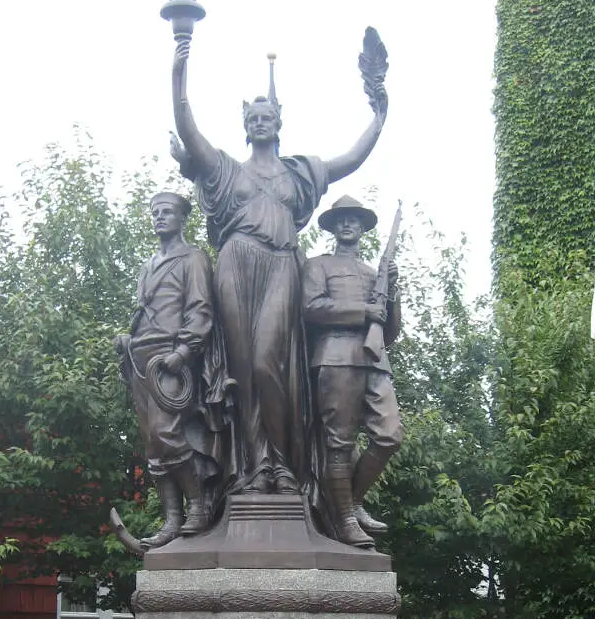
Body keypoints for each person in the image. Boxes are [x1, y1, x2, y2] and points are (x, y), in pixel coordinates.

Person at [170, 37, 388, 494]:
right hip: (236, 264)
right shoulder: (227, 170)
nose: (260, 122)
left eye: (267, 117)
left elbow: (351, 158)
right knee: (244, 368)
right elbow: (188, 126)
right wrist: (179, 68)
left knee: (272, 366)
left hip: (281, 267)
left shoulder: (299, 173)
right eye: (253, 118)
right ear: (245, 127)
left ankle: (284, 463)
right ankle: (252, 467)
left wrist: (379, 115)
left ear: (279, 123)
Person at [116, 192, 225, 548]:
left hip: (170, 358)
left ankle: (197, 506)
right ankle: (171, 520)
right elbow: (143, 309)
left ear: (182, 218)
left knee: (167, 434)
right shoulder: (148, 264)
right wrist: (127, 337)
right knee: (152, 444)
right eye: (155, 212)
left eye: (167, 212)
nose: (160, 218)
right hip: (140, 357)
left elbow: (201, 310)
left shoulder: (193, 258)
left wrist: (183, 351)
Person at [302, 195, 404, 548]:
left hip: (374, 360)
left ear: (362, 228)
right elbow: (312, 308)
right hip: (335, 356)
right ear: (333, 227)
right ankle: (344, 519)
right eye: (341, 219)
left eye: (354, 220)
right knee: (339, 443)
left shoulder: (373, 273)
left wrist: (393, 289)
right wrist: (364, 311)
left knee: (389, 435)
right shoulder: (318, 266)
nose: (348, 224)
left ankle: (352, 500)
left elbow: (390, 333)